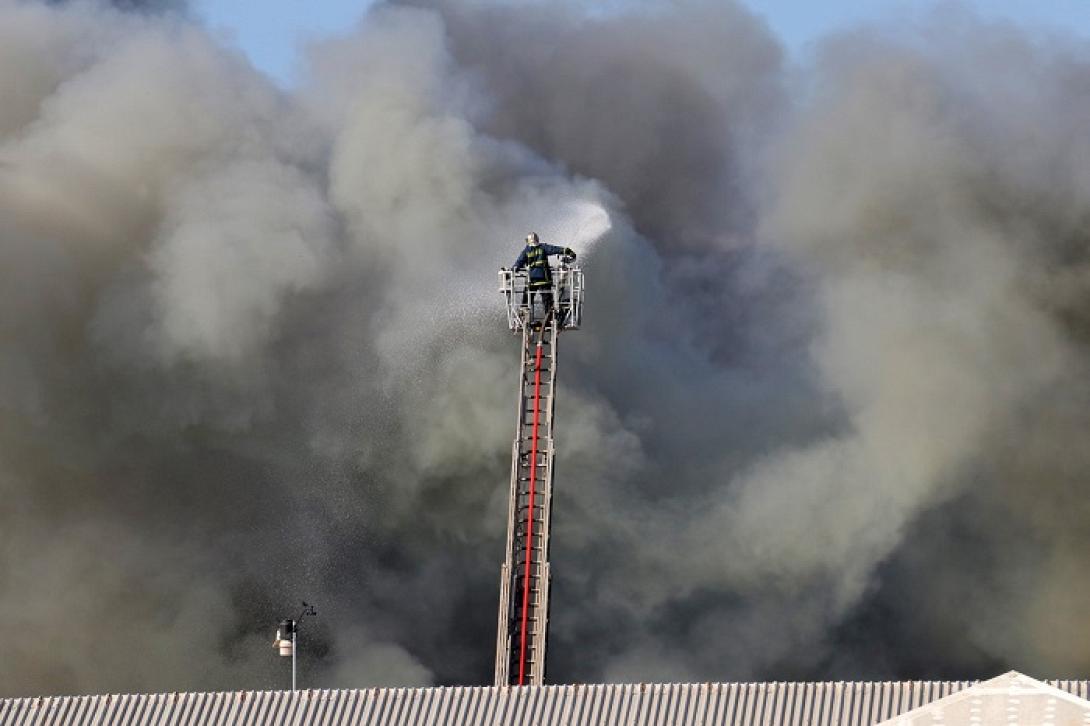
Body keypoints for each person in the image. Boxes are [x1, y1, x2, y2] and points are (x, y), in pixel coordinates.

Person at [512, 232, 576, 326]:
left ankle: (524, 318)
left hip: (532, 281)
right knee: (547, 302)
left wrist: (513, 270)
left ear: (528, 241)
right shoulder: (543, 247)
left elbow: (519, 262)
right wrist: (567, 251)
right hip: (544, 280)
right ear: (537, 240)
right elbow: (554, 249)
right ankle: (549, 319)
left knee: (527, 300)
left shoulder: (526, 250)